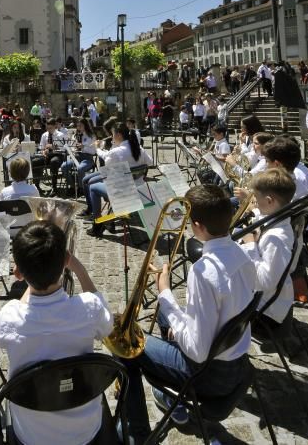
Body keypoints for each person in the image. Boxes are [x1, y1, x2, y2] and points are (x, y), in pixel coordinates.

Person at [121, 186, 256, 443]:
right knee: (166, 313)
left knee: (126, 344)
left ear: (196, 225)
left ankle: (137, 433)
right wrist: (174, 313)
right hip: (235, 360)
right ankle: (175, 400)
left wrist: (164, 290)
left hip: (209, 375)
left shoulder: (203, 272)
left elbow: (197, 351)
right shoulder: (243, 254)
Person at [0, 220, 113, 445]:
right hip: (86, 430)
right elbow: (106, 324)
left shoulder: (9, 317)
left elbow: (9, 331)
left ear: (18, 272)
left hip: (31, 436)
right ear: (64, 264)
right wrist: (77, 266)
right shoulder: (90, 308)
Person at [239, 169, 296, 330]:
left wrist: (250, 245)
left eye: (256, 198)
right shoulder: (279, 216)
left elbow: (265, 282)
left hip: (264, 312)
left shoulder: (276, 238)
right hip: (261, 298)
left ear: (270, 201)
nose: (254, 201)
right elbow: (264, 217)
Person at [86, 122, 153, 238]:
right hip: (139, 190)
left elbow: (107, 166)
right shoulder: (139, 149)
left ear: (118, 135)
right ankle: (109, 217)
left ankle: (97, 223)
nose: (112, 137)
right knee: (98, 181)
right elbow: (150, 162)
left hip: (124, 192)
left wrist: (97, 148)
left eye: (112, 134)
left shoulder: (117, 152)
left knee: (92, 187)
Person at [31, 118, 66, 196]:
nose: (48, 130)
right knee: (35, 162)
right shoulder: (44, 135)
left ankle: (54, 188)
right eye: (47, 128)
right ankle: (36, 186)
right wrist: (43, 151)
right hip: (47, 155)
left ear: (55, 126)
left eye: (50, 128)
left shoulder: (60, 135)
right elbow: (41, 147)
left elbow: (64, 149)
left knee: (54, 162)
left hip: (57, 155)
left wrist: (53, 147)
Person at [61, 117, 96, 190]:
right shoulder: (75, 136)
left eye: (80, 126)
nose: (78, 128)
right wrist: (73, 149)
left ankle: (81, 188)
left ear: (85, 126)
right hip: (76, 157)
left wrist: (83, 147)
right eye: (78, 126)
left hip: (87, 158)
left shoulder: (91, 136)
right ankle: (73, 186)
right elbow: (71, 147)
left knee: (80, 168)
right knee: (64, 166)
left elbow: (93, 151)